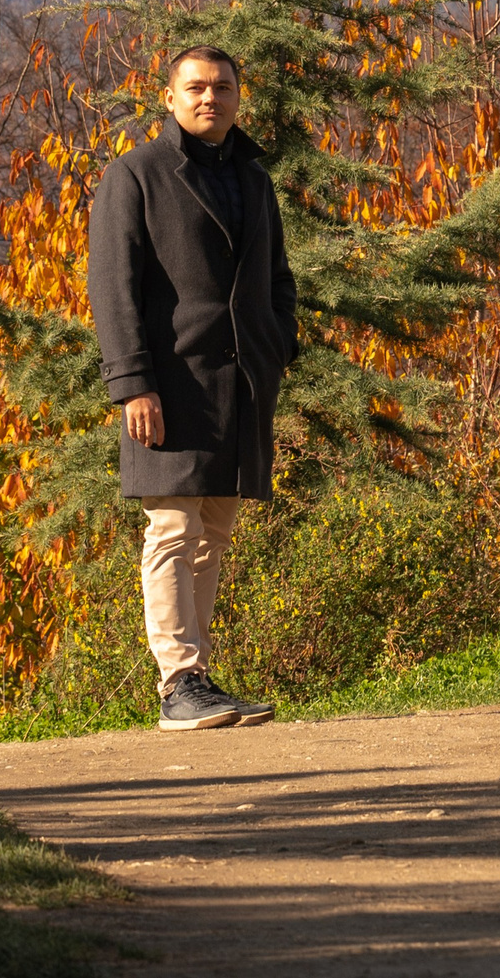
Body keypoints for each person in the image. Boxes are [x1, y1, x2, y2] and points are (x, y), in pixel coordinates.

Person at [87, 45, 299, 730]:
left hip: (238, 384)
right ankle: (178, 681)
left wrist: (278, 345)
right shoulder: (135, 175)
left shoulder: (254, 180)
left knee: (213, 529)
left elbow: (276, 277)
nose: (211, 98)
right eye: (196, 87)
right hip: (168, 384)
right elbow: (112, 289)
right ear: (170, 97)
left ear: (240, 96)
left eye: (224, 87)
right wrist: (132, 384)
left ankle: (198, 679)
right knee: (173, 526)